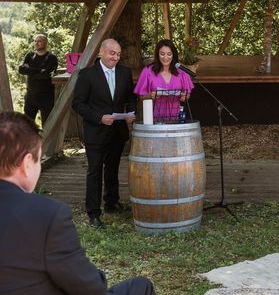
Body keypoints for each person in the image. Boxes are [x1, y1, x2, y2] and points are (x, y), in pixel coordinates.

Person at [0, 111, 170, 295]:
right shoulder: (46, 215)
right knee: (139, 289)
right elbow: (92, 292)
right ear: (25, 163)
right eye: (39, 159)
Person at [72, 38, 136, 228]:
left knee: (113, 169)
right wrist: (99, 117)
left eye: (118, 54)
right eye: (112, 53)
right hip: (95, 131)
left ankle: (111, 203)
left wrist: (130, 113)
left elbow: (131, 97)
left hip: (117, 130)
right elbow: (78, 104)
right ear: (101, 52)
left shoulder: (124, 73)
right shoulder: (87, 74)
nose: (115, 58)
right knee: (94, 172)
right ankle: (93, 213)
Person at [134, 39, 194, 122]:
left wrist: (184, 96)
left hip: (177, 118)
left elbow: (187, 95)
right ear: (157, 54)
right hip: (153, 118)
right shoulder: (148, 71)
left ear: (173, 55)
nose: (166, 57)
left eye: (169, 54)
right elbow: (141, 96)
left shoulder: (181, 72)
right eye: (162, 54)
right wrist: (151, 95)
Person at [18, 33, 58, 124]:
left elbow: (46, 75)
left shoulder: (51, 58)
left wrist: (29, 70)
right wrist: (40, 70)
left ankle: (46, 139)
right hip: (30, 96)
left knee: (47, 125)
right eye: (35, 41)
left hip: (46, 97)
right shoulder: (29, 55)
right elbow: (21, 70)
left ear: (46, 43)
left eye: (39, 41)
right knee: (27, 125)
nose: (36, 43)